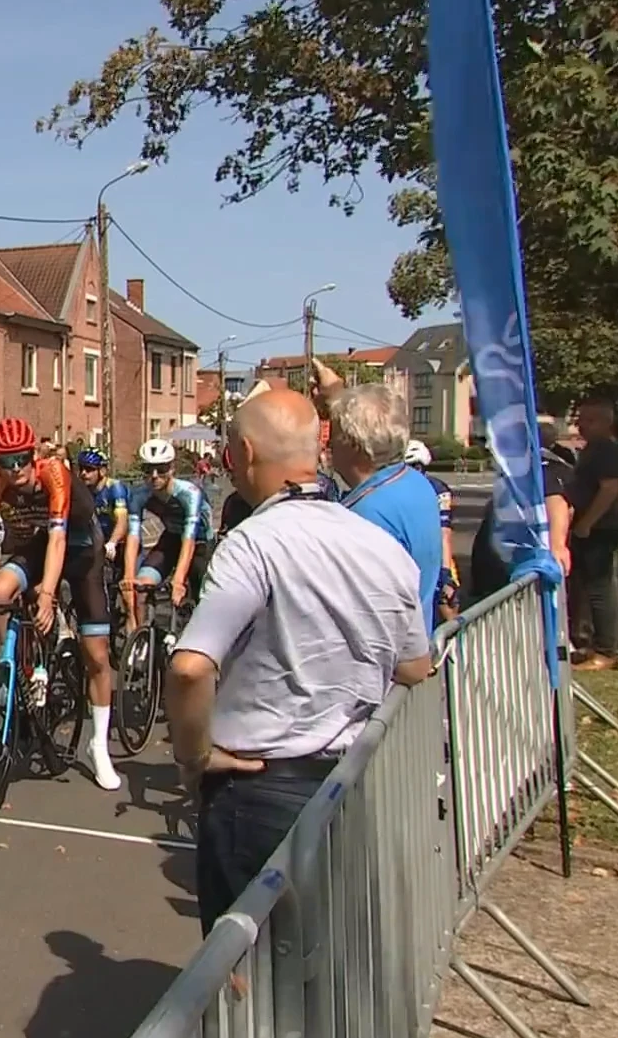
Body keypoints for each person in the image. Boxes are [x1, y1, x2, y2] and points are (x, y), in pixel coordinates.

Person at [167, 388, 432, 933]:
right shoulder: (381, 546)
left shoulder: (251, 544)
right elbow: (414, 666)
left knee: (243, 972)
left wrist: (194, 758)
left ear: (244, 450)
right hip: (349, 780)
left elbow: (191, 666)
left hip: (259, 785)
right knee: (324, 960)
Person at [0, 418, 120, 790]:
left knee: (97, 655)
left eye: (22, 460)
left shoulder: (53, 472)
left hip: (80, 548)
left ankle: (98, 745)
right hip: (41, 542)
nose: (16, 470)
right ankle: (11, 671)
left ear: (34, 455)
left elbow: (60, 541)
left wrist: (47, 594)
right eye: (6, 462)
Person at [328, 385, 445, 632]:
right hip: (416, 643)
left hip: (382, 661)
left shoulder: (364, 515)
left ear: (351, 444)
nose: (327, 444)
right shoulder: (415, 482)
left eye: (334, 435)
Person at [467, 416, 573, 603]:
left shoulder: (537, 466)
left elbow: (556, 501)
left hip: (519, 558)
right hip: (497, 552)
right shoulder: (520, 467)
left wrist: (557, 544)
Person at [120, 439, 210, 633]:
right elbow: (133, 537)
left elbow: (189, 538)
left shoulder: (189, 493)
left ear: (172, 469)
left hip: (200, 542)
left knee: (203, 597)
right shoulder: (139, 494)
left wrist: (178, 580)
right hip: (171, 537)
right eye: (148, 469)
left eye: (161, 469)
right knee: (140, 587)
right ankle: (141, 645)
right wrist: (128, 577)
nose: (154, 476)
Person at [565, 398, 618, 670]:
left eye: (588, 420)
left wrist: (587, 522)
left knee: (601, 589)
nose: (580, 424)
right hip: (587, 528)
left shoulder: (607, 449)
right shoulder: (592, 448)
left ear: (604, 422)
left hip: (600, 529)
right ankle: (588, 643)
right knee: (586, 588)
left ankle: (607, 650)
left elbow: (610, 489)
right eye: (579, 419)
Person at [402, 440, 461, 624]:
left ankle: (456, 649)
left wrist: (446, 574)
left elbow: (444, 533)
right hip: (409, 559)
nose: (411, 473)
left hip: (435, 556)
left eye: (415, 467)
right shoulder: (397, 489)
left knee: (447, 609)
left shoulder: (438, 490)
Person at [76, 449, 128, 562]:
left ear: (102, 471)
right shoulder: (83, 489)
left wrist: (112, 543)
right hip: (99, 542)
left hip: (121, 543)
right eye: (81, 468)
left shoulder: (115, 488)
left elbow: (122, 522)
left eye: (89, 469)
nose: (83, 473)